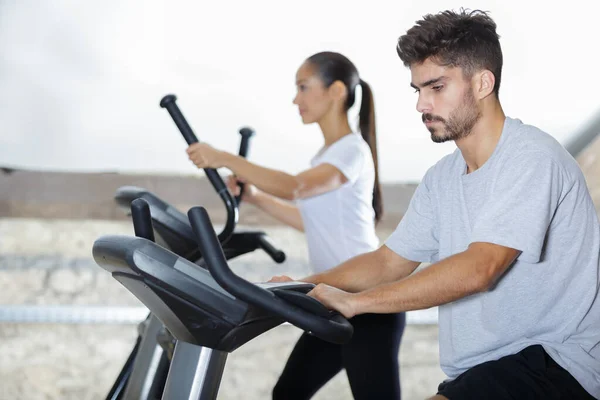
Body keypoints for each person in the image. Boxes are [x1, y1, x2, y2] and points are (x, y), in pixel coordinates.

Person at [271, 9, 600, 400]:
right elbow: (388, 262)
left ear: (482, 83)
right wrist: (308, 284)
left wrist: (357, 303)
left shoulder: (531, 158)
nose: (421, 105)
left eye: (437, 88)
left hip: (556, 366)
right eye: (418, 90)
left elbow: (482, 267)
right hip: (478, 372)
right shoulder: (442, 178)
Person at [186, 51, 406, 399]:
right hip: (333, 298)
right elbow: (309, 220)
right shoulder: (328, 156)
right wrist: (255, 196)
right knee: (288, 393)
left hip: (367, 300)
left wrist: (225, 157)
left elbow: (296, 186)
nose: (295, 99)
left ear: (336, 92)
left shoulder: (351, 151)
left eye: (303, 88)